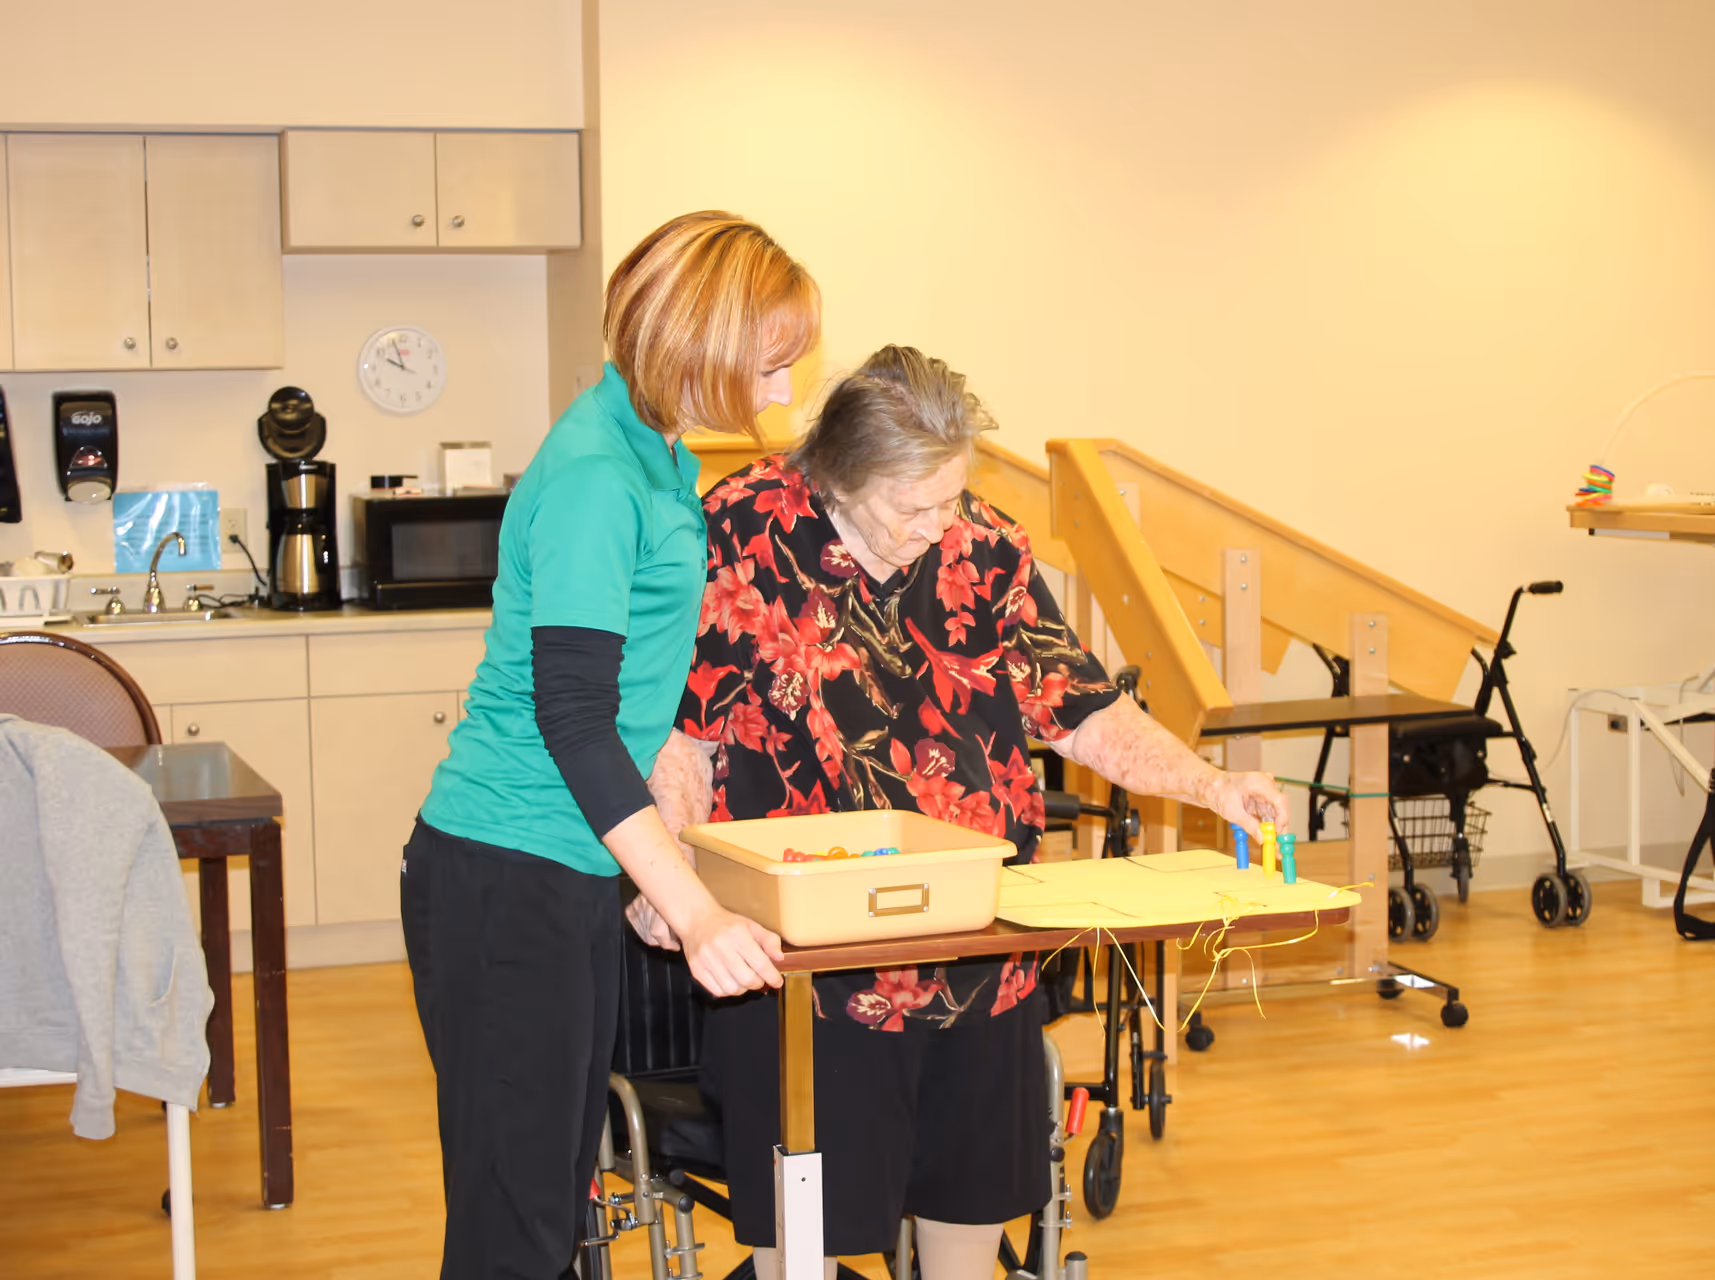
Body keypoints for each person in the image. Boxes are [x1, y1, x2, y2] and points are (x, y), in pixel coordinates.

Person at [641, 345, 1289, 1280]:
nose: (937, 525)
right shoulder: (744, 530)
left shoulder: (981, 545)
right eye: (912, 507)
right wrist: (674, 877)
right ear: (838, 476)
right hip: (812, 974)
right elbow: (684, 735)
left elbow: (1082, 707)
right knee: (809, 1248)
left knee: (972, 1218)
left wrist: (1212, 784)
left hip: (979, 951)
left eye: (951, 498)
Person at [401, 211, 816, 1279]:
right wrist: (691, 903)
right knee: (515, 1223)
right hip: (509, 869)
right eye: (771, 364)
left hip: (568, 860)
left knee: (549, 1199)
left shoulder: (655, 451)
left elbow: (636, 685)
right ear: (701, 345)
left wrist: (661, 837)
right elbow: (575, 714)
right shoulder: (598, 473)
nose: (782, 391)